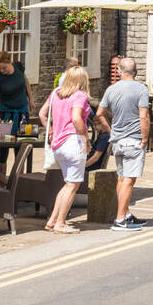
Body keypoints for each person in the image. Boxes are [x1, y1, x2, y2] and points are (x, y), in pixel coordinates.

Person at [97, 56, 151, 231]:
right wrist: (144, 138)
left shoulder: (111, 89)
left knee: (121, 178)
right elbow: (144, 116)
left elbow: (99, 113)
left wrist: (110, 130)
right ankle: (120, 220)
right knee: (128, 180)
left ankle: (126, 214)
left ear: (119, 72)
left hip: (118, 141)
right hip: (134, 140)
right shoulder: (141, 89)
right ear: (135, 72)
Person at [43, 66, 90, 234]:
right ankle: (61, 223)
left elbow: (43, 114)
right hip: (73, 142)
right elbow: (76, 118)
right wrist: (85, 138)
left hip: (58, 144)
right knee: (72, 185)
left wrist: (50, 131)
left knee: (67, 184)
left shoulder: (56, 93)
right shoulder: (80, 95)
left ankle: (52, 220)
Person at [0, 50, 32, 166]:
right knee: (3, 146)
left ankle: (19, 179)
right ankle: (3, 181)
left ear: (9, 62)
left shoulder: (19, 68)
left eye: (4, 68)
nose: (2, 71)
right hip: (4, 115)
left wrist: (30, 98)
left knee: (21, 145)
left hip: (22, 113)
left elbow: (25, 82)